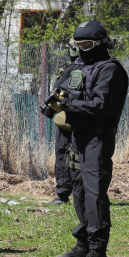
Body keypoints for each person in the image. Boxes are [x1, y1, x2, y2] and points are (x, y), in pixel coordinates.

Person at [46, 20, 129, 257]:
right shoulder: (76, 66)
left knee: (94, 193)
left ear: (101, 43)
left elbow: (101, 106)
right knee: (79, 191)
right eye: (78, 44)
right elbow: (60, 92)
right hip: (75, 136)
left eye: (87, 44)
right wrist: (52, 104)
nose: (82, 49)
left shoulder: (110, 69)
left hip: (97, 137)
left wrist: (68, 105)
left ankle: (97, 249)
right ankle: (82, 244)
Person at [47, 39, 79, 206]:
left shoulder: (72, 68)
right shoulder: (98, 67)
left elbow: (59, 92)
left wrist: (49, 108)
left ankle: (63, 195)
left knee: (63, 155)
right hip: (88, 121)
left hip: (68, 121)